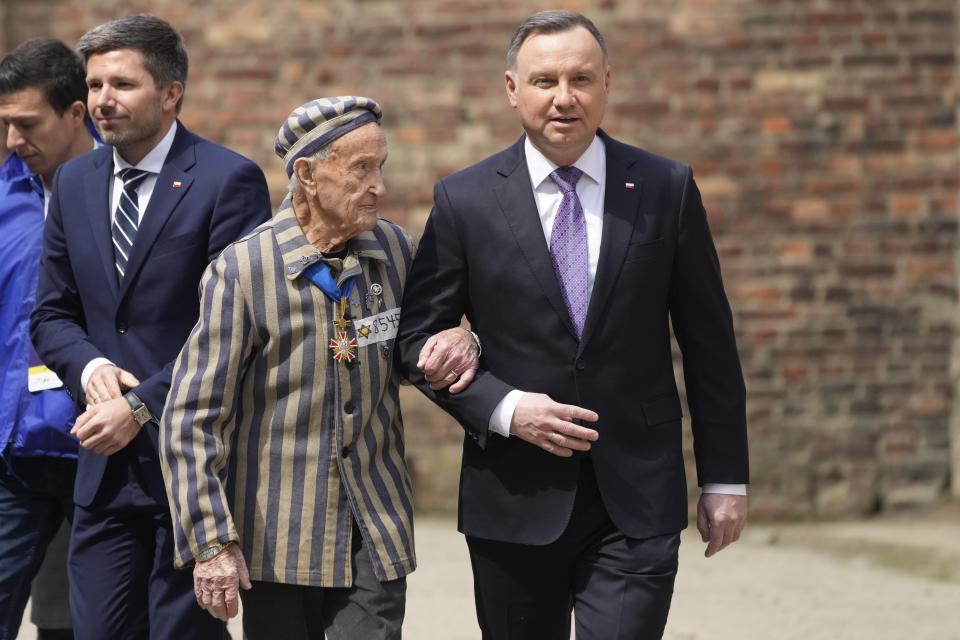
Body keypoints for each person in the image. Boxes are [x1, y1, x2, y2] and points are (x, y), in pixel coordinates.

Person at [396, 10, 749, 640]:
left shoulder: (666, 188)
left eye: (581, 79)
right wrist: (504, 408)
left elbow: (709, 346)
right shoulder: (464, 200)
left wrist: (724, 478)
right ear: (512, 88)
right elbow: (414, 343)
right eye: (544, 81)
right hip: (512, 497)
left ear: (607, 83)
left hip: (637, 496)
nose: (564, 98)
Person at [159, 96, 478, 639]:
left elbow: (419, 348)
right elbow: (191, 418)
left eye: (382, 166)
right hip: (277, 543)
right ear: (306, 174)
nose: (380, 185)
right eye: (361, 169)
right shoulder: (243, 271)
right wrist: (211, 540)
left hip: (375, 532)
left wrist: (464, 339)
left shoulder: (395, 250)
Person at [29, 15, 271, 639]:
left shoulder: (227, 180)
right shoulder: (75, 181)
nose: (103, 100)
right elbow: (52, 313)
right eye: (96, 84)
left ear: (170, 93)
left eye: (122, 84)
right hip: (102, 473)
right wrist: (92, 368)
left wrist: (140, 405)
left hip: (191, 472)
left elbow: (234, 329)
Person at [0, 37, 102, 640]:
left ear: (75, 114)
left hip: (101, 451)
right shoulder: (8, 200)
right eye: (6, 124)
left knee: (80, 626)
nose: (15, 140)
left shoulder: (124, 197)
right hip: (16, 456)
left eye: (27, 123)